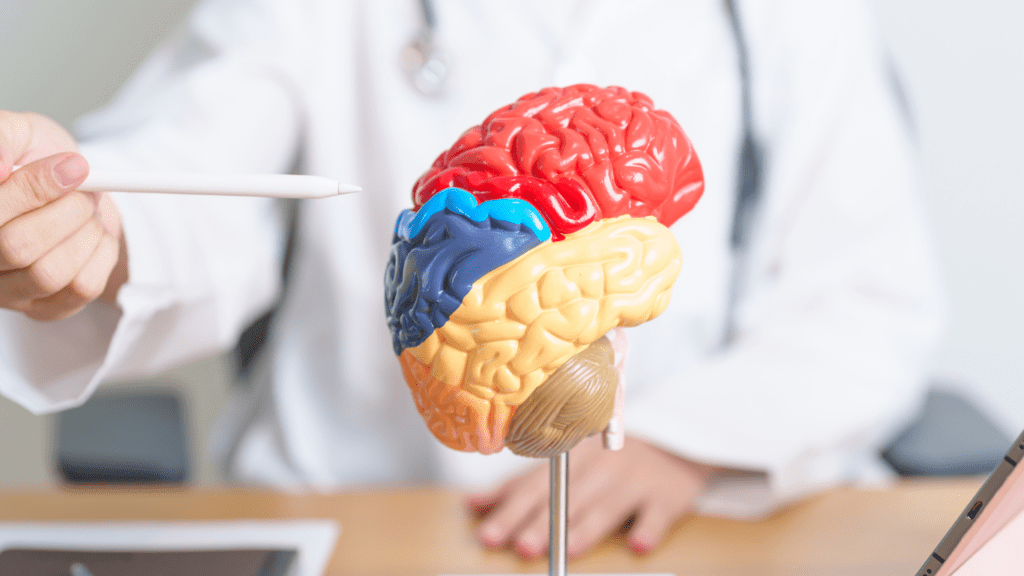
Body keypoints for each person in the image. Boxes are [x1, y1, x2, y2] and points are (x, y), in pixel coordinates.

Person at [0, 0, 942, 560]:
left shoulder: (791, 20)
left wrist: (688, 441)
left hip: (691, 535)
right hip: (367, 514)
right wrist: (97, 224)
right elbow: (192, 171)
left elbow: (869, 299)